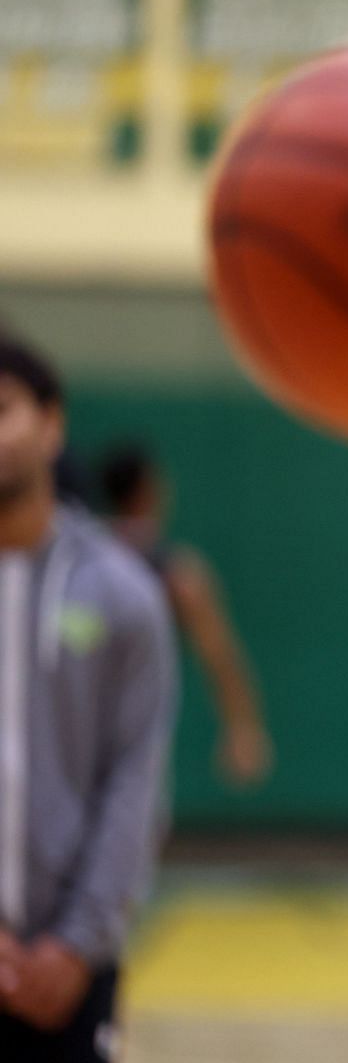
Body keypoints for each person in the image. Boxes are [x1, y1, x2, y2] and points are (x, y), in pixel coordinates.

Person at [0, 337, 174, 1062]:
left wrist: (75, 945)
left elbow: (134, 778)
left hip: (71, 969)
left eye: (1, 409)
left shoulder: (123, 593)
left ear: (52, 424)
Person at [95, 444, 272, 787]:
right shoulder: (176, 576)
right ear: (151, 489)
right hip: (133, 743)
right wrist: (242, 725)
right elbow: (219, 654)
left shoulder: (75, 564)